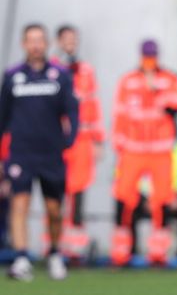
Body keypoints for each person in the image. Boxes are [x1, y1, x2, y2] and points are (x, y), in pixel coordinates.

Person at [0, 23, 79, 281]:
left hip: (51, 154)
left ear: (46, 44)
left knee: (54, 209)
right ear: (24, 44)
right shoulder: (13, 76)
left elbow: (73, 111)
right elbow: (3, 116)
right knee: (19, 204)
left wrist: (69, 140)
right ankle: (22, 258)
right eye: (30, 41)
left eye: (39, 40)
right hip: (21, 153)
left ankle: (55, 253)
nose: (35, 45)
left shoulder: (60, 75)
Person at [110, 39, 177, 266]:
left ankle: (158, 254)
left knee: (161, 200)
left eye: (152, 55)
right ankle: (121, 253)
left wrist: (157, 91)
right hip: (133, 149)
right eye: (146, 55)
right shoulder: (128, 81)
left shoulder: (169, 79)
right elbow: (120, 114)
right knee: (124, 197)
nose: (149, 60)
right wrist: (119, 144)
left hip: (160, 149)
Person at [51, 24, 104, 260]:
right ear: (59, 41)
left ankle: (75, 247)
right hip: (56, 138)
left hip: (81, 138)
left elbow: (93, 106)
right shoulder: (51, 69)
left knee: (80, 190)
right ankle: (53, 244)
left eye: (74, 38)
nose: (71, 43)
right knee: (55, 189)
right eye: (67, 39)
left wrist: (98, 140)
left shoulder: (85, 70)